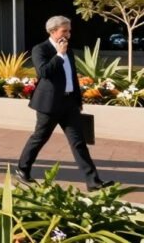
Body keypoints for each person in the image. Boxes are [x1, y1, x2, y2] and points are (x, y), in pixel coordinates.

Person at [16, 16, 114, 191]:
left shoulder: (68, 50)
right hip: (49, 104)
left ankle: (93, 182)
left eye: (69, 31)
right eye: (64, 31)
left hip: (69, 104)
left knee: (78, 142)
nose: (68, 34)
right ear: (53, 31)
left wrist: (78, 99)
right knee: (39, 138)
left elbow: (72, 76)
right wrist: (59, 54)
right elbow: (44, 72)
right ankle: (22, 169)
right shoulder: (41, 49)